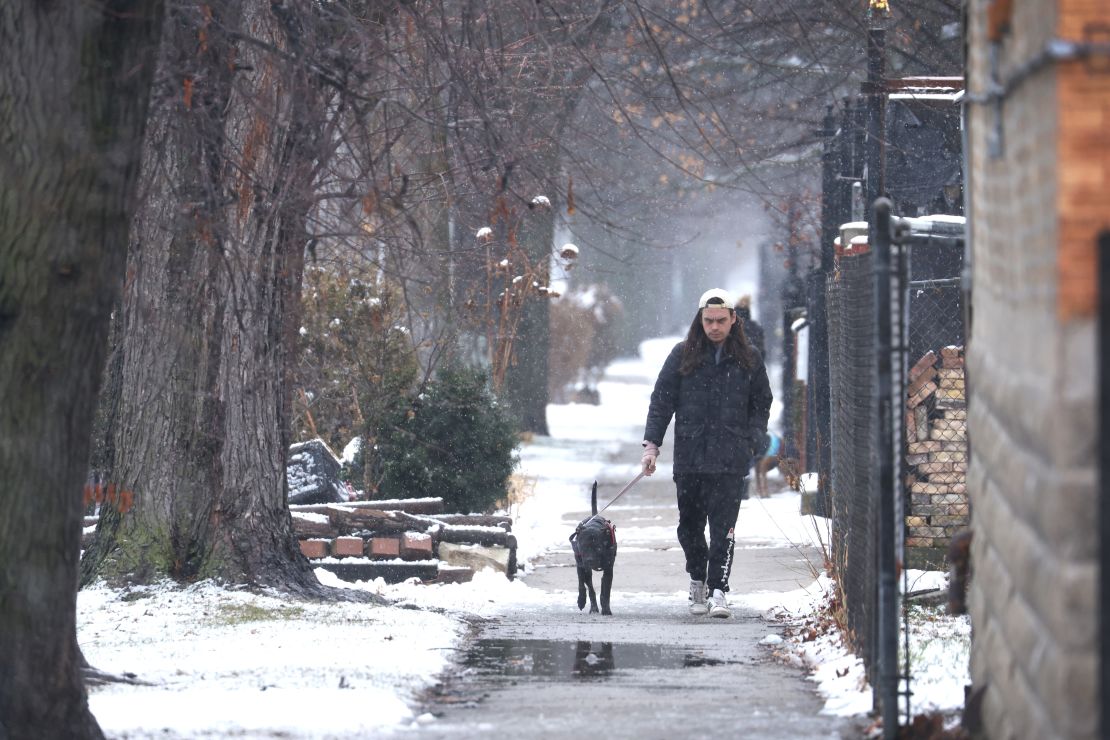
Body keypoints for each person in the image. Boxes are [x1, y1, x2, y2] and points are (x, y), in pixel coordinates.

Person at [640, 288, 773, 618]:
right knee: (689, 527)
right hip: (690, 457)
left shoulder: (749, 358)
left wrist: (753, 439)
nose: (714, 327)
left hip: (730, 458)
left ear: (732, 320)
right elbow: (662, 401)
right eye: (708, 320)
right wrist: (651, 447)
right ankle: (697, 578)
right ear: (700, 320)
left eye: (720, 320)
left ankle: (718, 590)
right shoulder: (683, 355)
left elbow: (762, 403)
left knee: (724, 529)